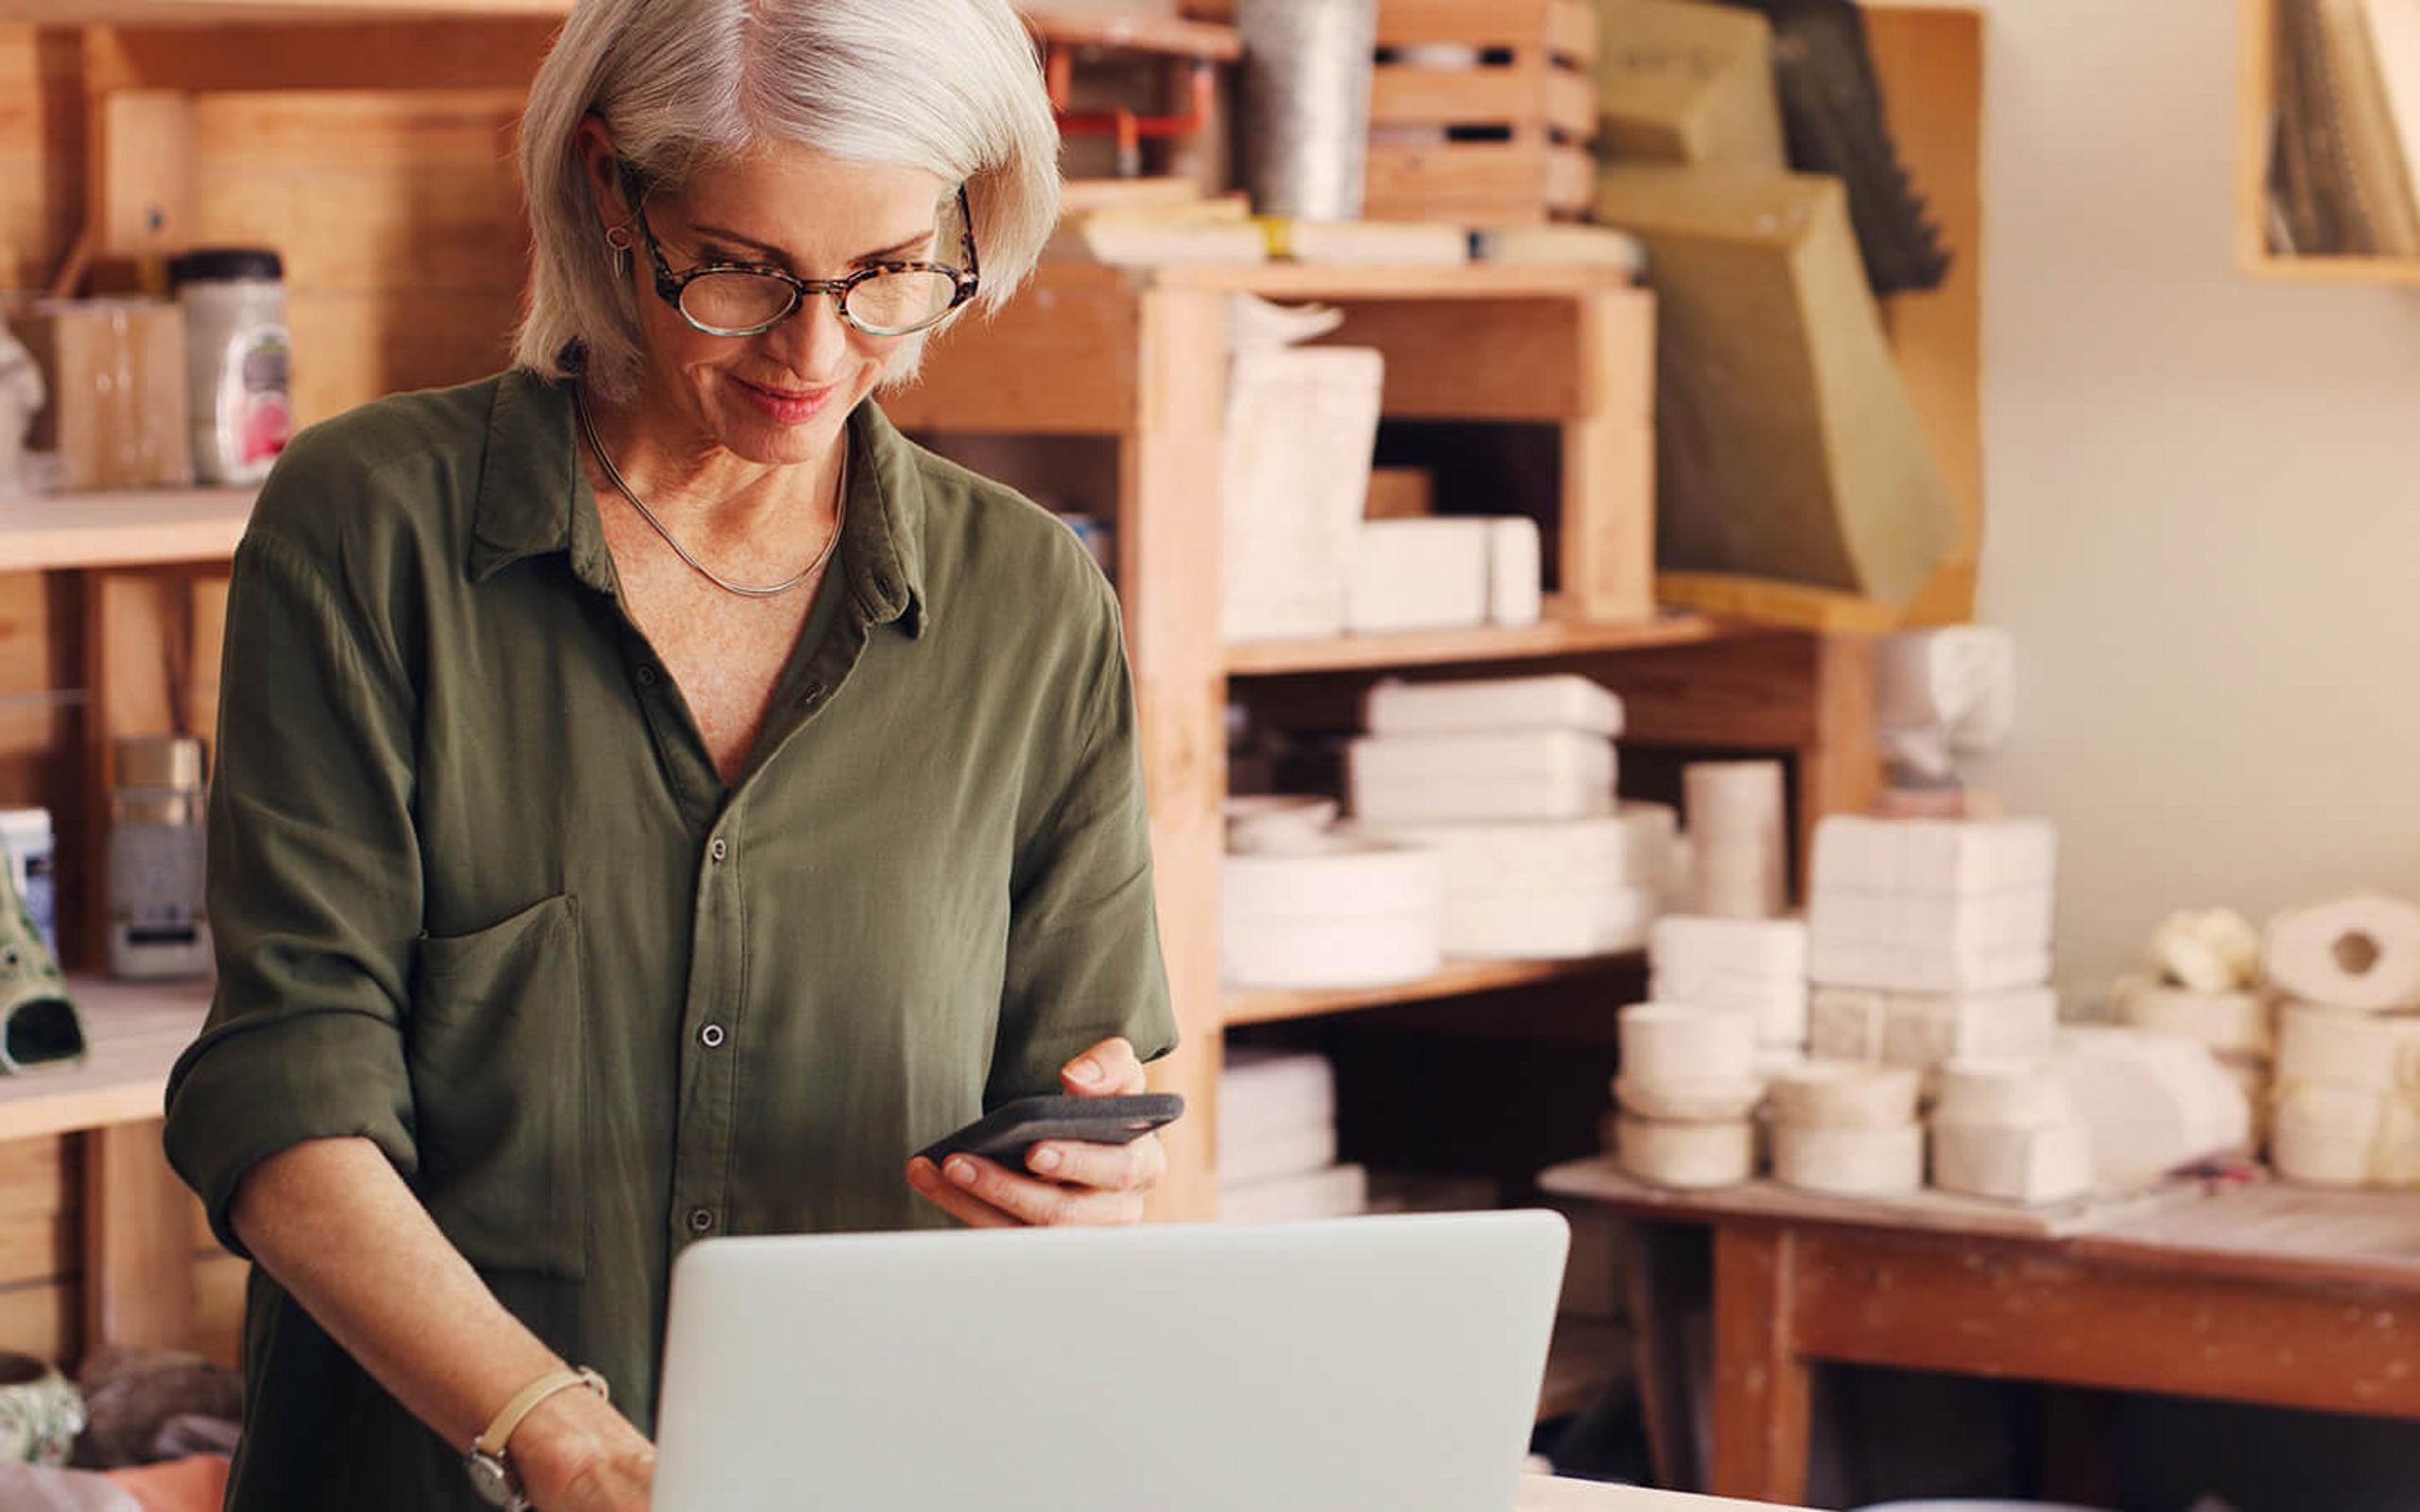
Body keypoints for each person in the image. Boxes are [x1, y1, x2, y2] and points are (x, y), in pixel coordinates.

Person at [160, 2, 1177, 1507]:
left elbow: (1095, 1073)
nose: (818, 351)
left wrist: (1095, 1178)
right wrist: (554, 1434)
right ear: (604, 193)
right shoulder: (371, 531)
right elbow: (284, 1101)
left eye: (888, 272)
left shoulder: (1030, 605)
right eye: (742, 270)